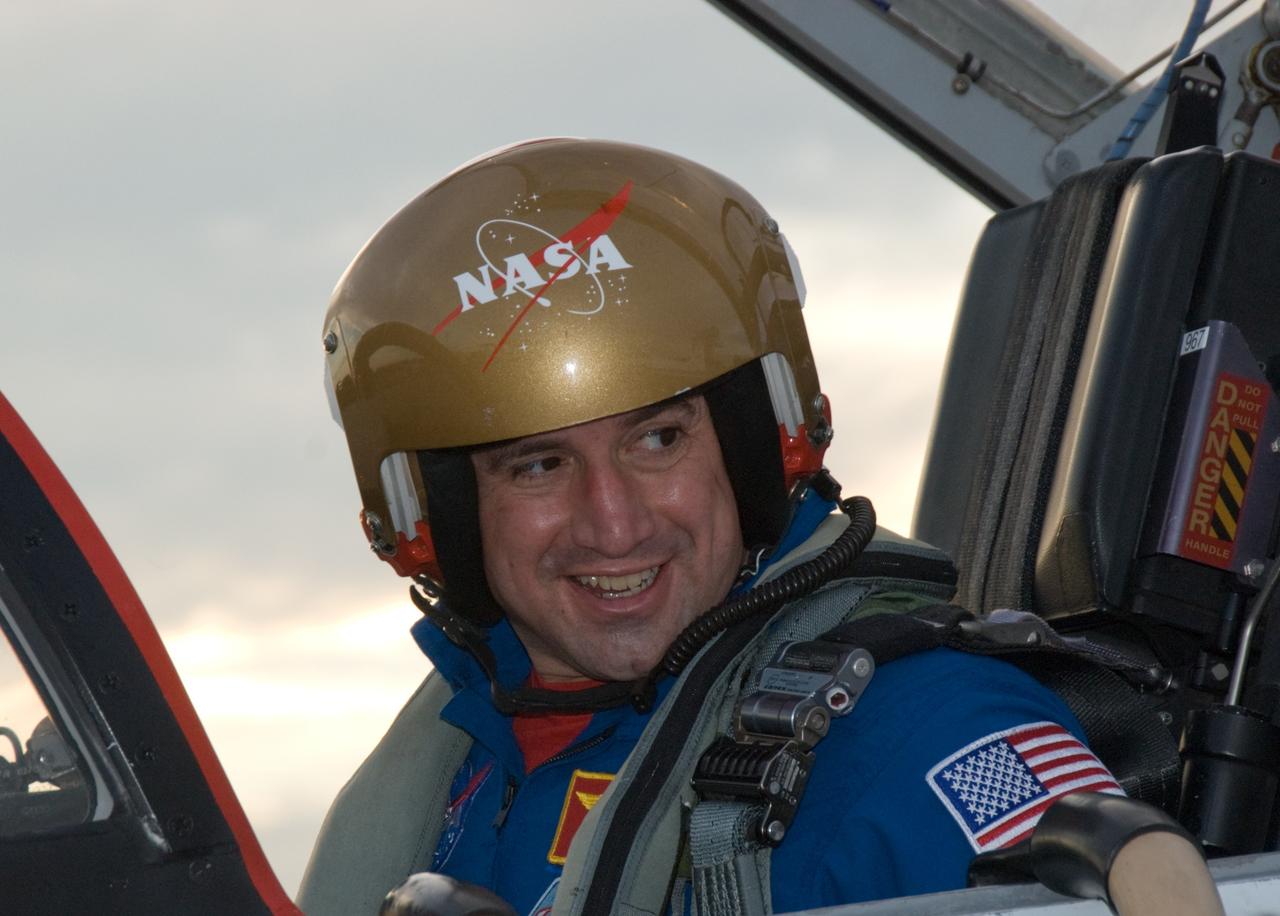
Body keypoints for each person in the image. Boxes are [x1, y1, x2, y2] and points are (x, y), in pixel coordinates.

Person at [297, 139, 1160, 916]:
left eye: (659, 438)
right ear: (433, 513)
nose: (613, 522)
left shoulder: (928, 734)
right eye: (538, 465)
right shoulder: (464, 759)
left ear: (758, 444)